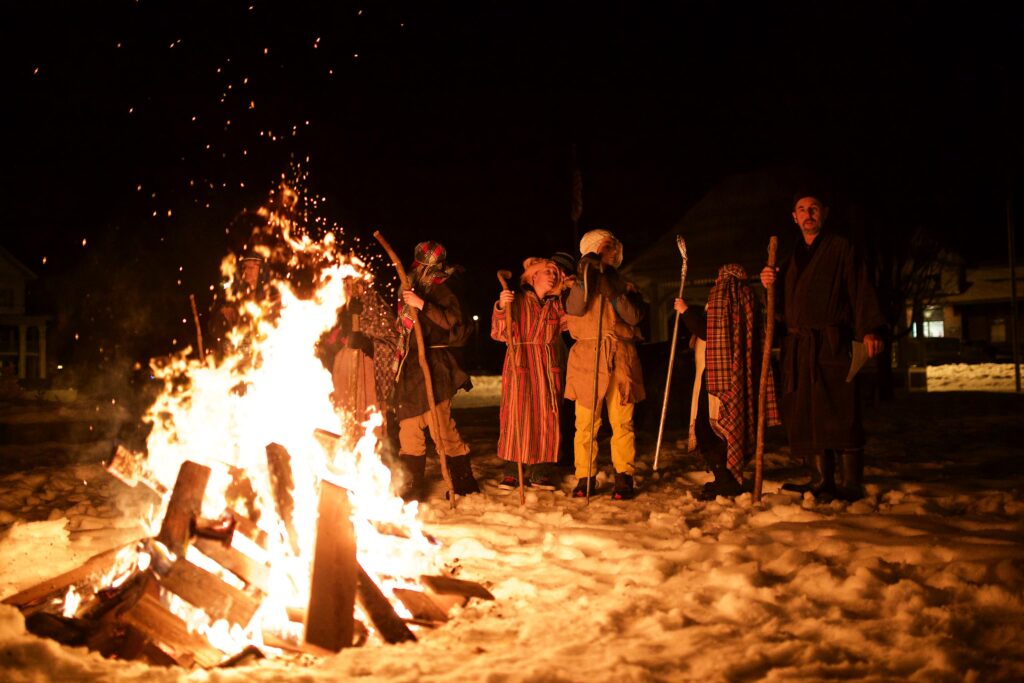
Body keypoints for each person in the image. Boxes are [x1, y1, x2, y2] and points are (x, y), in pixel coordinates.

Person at [760, 191, 886, 502]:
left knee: (839, 410)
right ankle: (820, 479)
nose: (808, 214)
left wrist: (869, 329)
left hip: (832, 344)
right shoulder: (791, 259)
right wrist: (768, 284)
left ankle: (850, 484)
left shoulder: (842, 248)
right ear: (794, 217)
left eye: (813, 208)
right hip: (800, 348)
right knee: (807, 412)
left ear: (824, 213)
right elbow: (782, 308)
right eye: (801, 209)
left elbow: (860, 288)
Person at [675, 264, 780, 500]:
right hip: (736, 376)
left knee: (710, 427)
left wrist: (685, 311)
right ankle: (724, 478)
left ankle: (726, 481)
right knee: (728, 428)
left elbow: (708, 331)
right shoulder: (747, 298)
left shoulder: (723, 296)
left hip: (717, 375)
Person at [391, 241, 479, 501]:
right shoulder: (409, 283)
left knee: (441, 426)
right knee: (408, 427)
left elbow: (454, 323)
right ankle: (411, 486)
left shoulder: (445, 285)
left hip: (436, 362)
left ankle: (462, 484)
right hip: (411, 365)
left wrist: (423, 305)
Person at [564, 229, 646, 500]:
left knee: (622, 421)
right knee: (586, 423)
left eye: (611, 248)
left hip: (620, 357)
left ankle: (624, 476)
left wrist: (613, 290)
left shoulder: (625, 284)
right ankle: (584, 476)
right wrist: (585, 277)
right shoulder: (576, 283)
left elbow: (633, 317)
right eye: (603, 248)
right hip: (588, 358)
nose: (608, 252)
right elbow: (575, 309)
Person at [491, 257, 568, 491]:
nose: (553, 276)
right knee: (517, 415)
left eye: (555, 273)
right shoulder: (517, 300)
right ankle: (513, 471)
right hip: (520, 361)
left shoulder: (557, 304)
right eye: (547, 272)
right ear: (533, 276)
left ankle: (540, 472)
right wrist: (502, 307)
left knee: (547, 416)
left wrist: (576, 294)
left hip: (546, 363)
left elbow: (574, 326)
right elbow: (498, 333)